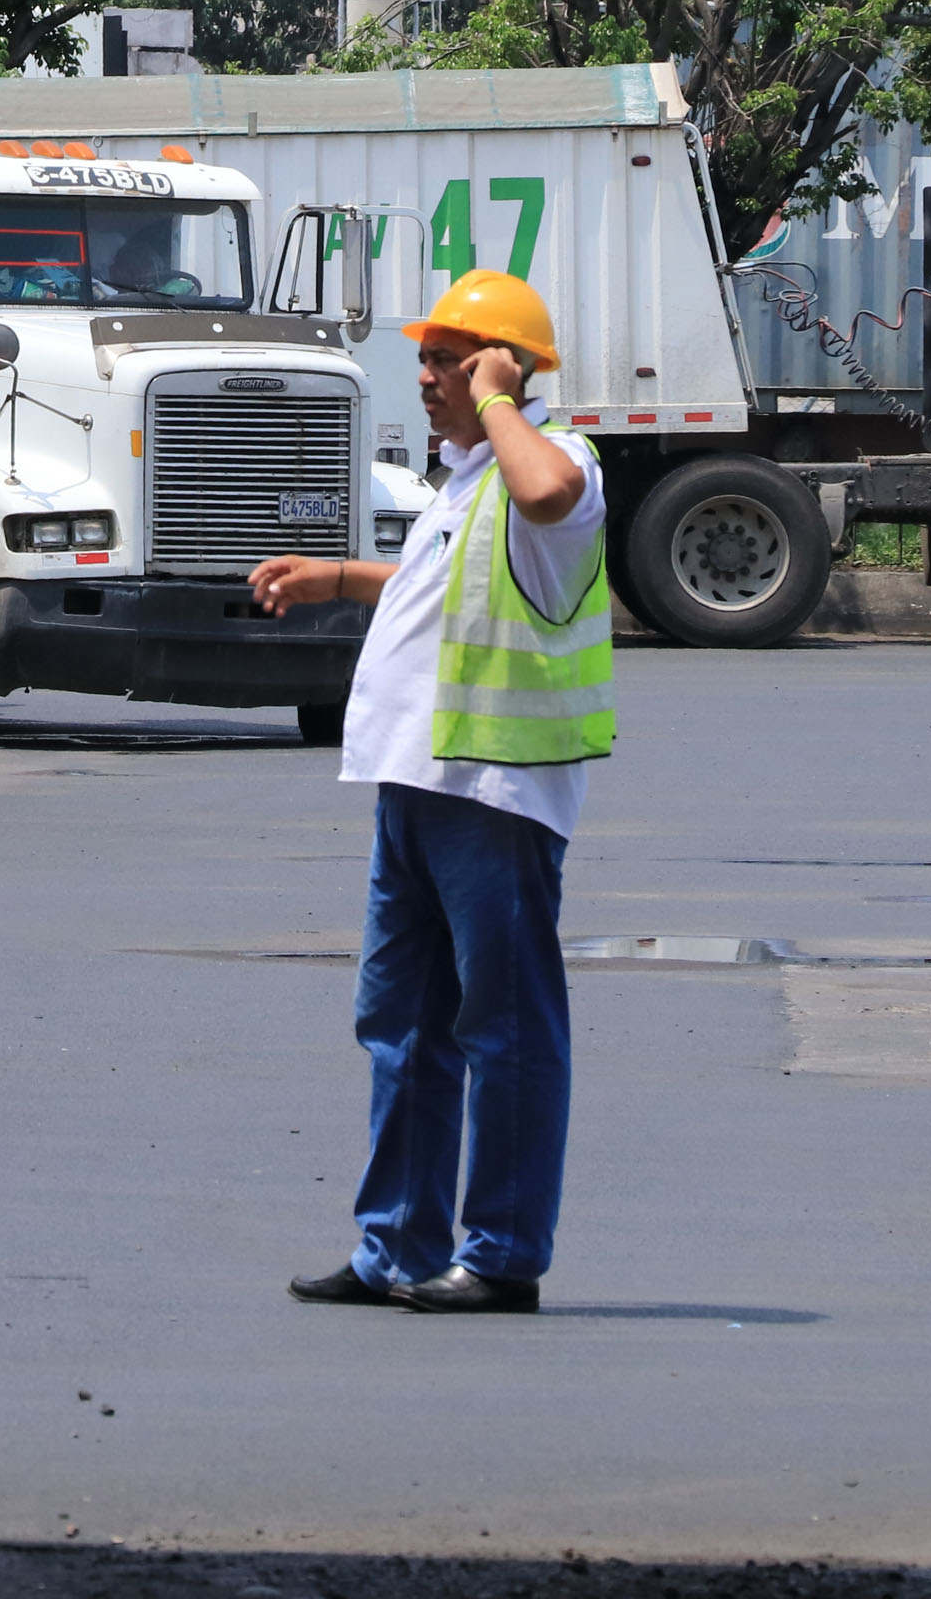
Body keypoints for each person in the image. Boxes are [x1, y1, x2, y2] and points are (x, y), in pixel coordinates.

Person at [247, 269, 611, 1315]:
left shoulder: (556, 465)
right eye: (429, 359)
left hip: (493, 797)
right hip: (411, 785)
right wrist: (336, 576)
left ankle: (501, 1255)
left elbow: (545, 498)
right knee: (399, 1026)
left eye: (452, 361)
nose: (429, 378)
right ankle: (396, 1247)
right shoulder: (463, 483)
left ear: (509, 370)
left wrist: (501, 399)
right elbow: (438, 585)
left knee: (504, 1031)